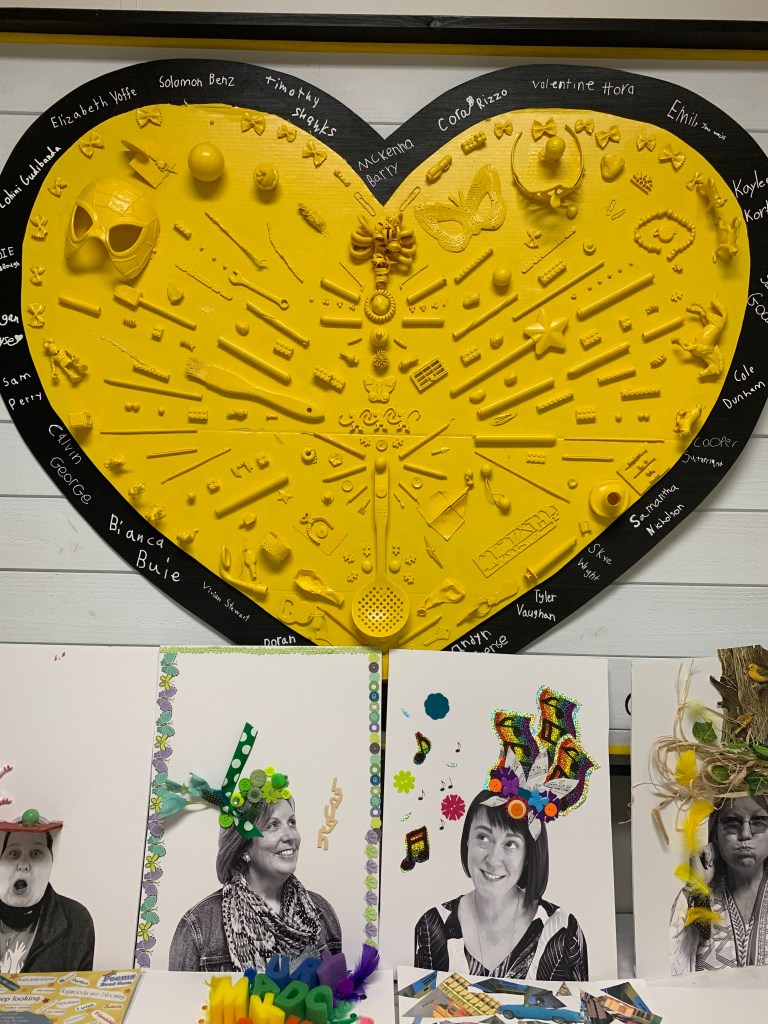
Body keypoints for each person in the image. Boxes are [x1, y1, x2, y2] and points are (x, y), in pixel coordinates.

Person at [413, 791, 588, 979]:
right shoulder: (432, 926)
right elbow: (422, 998)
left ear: (528, 855)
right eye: (483, 837)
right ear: (467, 840)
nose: (493, 860)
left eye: (511, 844)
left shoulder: (563, 930)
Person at [169, 796, 341, 971]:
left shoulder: (322, 913)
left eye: (291, 822)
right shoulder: (198, 926)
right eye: (272, 825)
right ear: (244, 848)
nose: (290, 836)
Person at [670, 795, 768, 973]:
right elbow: (670, 970)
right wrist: (696, 886)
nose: (745, 834)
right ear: (715, 835)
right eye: (732, 822)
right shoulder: (700, 896)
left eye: (759, 821)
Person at [0, 813, 94, 972]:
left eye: (36, 853)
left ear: (51, 863)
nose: (23, 865)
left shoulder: (76, 920)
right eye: (14, 853)